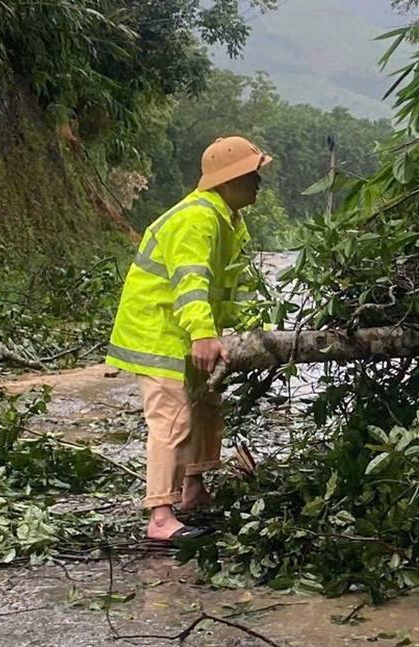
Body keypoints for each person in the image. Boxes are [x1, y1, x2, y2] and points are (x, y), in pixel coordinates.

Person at [106, 136, 271, 542]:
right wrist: (202, 332)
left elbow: (233, 287)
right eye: (252, 175)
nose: (258, 183)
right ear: (229, 179)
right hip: (159, 330)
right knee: (173, 418)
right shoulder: (196, 218)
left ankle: (193, 491)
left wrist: (250, 333)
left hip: (190, 330)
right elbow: (191, 281)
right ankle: (160, 516)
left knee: (206, 405)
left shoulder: (229, 220)